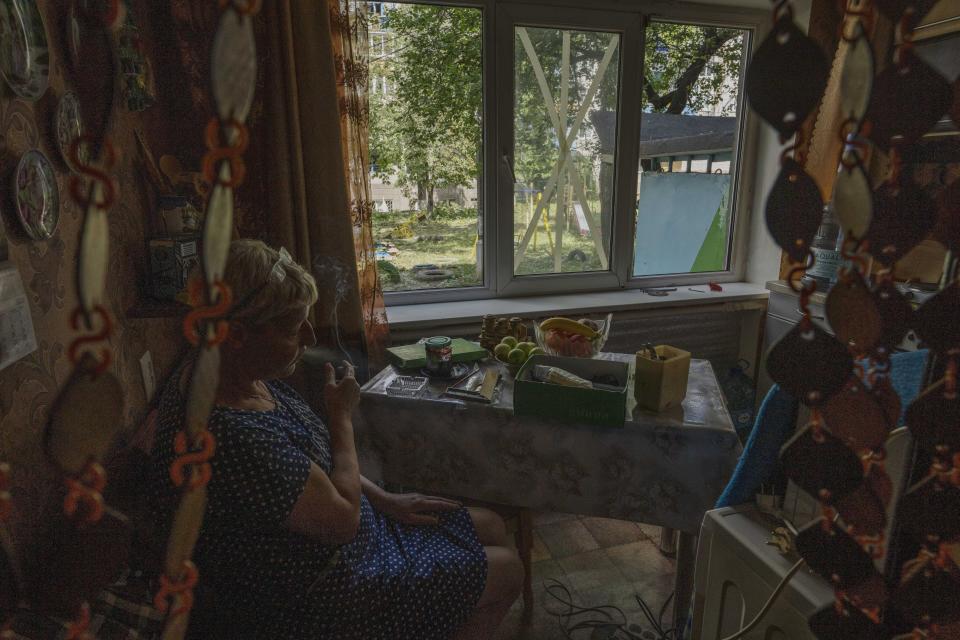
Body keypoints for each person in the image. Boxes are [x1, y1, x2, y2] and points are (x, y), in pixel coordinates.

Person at [150, 240, 522, 639]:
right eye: (295, 327)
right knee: (507, 570)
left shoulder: (239, 376)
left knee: (492, 524)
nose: (310, 337)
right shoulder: (232, 435)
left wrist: (386, 500)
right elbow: (343, 521)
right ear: (237, 334)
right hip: (318, 591)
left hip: (347, 539)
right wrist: (341, 416)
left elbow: (315, 463)